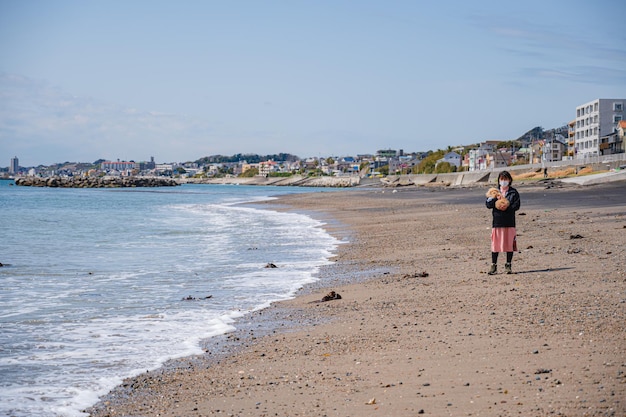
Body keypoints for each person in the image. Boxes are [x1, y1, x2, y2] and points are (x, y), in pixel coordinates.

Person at [486, 171, 521, 274]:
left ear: (509, 180)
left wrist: (507, 207)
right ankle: (493, 266)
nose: (504, 181)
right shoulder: (494, 192)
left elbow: (517, 206)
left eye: (505, 179)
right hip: (497, 221)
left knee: (509, 244)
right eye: (502, 179)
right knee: (495, 244)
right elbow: (488, 205)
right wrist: (494, 199)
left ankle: (508, 265)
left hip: (509, 222)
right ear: (499, 180)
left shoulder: (513, 192)